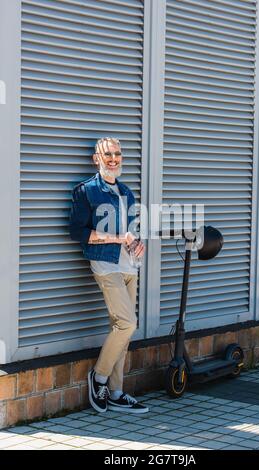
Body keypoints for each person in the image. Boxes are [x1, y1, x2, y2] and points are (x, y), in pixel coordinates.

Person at [69, 137, 149, 414]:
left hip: (129, 265)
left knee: (123, 330)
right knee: (128, 324)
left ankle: (116, 392)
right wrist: (117, 238)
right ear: (96, 159)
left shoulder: (127, 191)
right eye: (107, 154)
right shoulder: (86, 191)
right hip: (105, 265)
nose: (113, 159)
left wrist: (137, 242)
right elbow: (77, 233)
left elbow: (130, 231)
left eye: (117, 154)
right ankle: (99, 377)